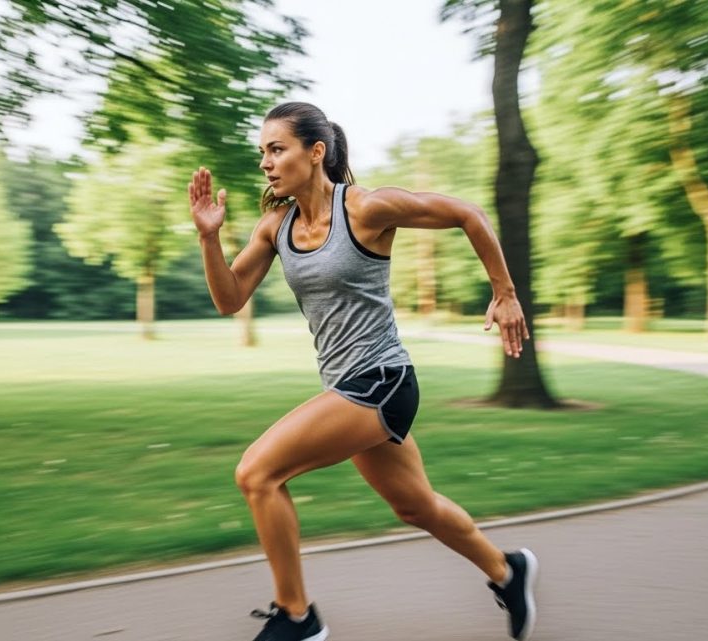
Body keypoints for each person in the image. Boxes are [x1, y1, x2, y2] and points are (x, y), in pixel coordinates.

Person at [187, 101, 538, 641]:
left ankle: (297, 616)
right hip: (347, 388)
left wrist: (506, 293)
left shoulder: (367, 209)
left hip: (382, 381)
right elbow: (229, 298)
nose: (266, 163)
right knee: (415, 506)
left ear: (316, 152)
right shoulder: (275, 227)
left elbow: (469, 213)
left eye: (277, 149)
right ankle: (507, 571)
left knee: (256, 473)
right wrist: (210, 237)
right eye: (263, 152)